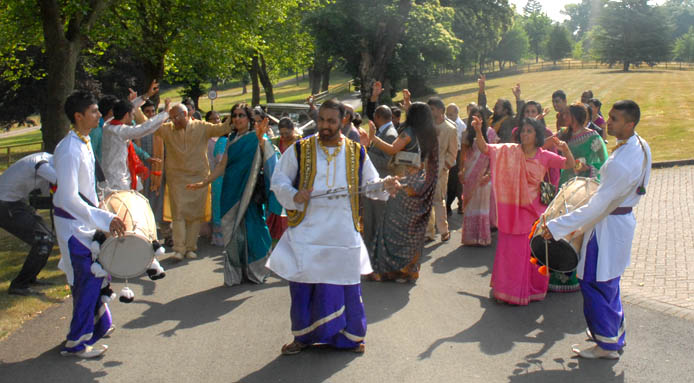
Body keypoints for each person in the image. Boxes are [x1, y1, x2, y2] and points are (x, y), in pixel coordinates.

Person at [266, 98, 400, 355]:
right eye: (321, 120)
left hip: (342, 231)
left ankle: (349, 338)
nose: (324, 126)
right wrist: (295, 195)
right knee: (303, 285)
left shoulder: (356, 151)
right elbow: (279, 180)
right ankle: (303, 337)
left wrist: (385, 185)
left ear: (343, 121)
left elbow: (370, 184)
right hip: (307, 232)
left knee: (345, 284)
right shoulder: (299, 149)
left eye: (331, 121)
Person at [544, 100, 651, 359]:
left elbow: (596, 207)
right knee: (608, 280)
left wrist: (555, 226)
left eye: (614, 119)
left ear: (630, 123)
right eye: (610, 117)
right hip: (619, 222)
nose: (608, 122)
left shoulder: (621, 163)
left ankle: (606, 345)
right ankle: (612, 332)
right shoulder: (640, 145)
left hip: (607, 225)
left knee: (593, 280)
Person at [53, 90, 126, 358]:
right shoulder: (69, 149)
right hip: (74, 228)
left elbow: (86, 189)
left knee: (93, 280)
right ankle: (77, 342)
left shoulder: (82, 142)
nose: (99, 115)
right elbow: (68, 197)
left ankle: (95, 327)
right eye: (94, 111)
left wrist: (102, 207)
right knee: (85, 282)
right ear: (78, 116)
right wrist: (104, 218)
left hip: (86, 223)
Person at [472, 116, 575, 305]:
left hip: (533, 213)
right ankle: (506, 291)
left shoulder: (544, 155)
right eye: (523, 130)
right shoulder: (510, 151)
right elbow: (486, 149)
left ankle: (531, 290)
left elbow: (569, 165)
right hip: (511, 211)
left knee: (529, 255)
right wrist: (478, 131)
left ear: (537, 135)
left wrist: (565, 149)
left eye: (529, 131)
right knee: (510, 252)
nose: (525, 134)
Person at [187, 104, 281, 285]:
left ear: (249, 119)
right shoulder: (231, 138)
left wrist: (261, 139)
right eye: (234, 115)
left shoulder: (256, 137)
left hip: (249, 193)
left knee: (254, 230)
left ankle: (257, 271)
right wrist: (205, 182)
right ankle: (236, 274)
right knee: (233, 232)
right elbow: (222, 165)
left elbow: (269, 158)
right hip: (230, 191)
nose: (237, 119)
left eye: (241, 115)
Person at [367, 102, 438, 282]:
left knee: (393, 227)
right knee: (412, 230)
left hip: (403, 185)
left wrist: (373, 138)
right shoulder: (429, 134)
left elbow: (392, 149)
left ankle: (392, 269)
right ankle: (410, 270)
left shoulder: (409, 133)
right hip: (419, 183)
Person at [156, 103, 231, 260]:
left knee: (195, 215)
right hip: (176, 179)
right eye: (172, 117)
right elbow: (148, 126)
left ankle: (191, 247)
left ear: (186, 114)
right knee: (178, 215)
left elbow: (223, 129)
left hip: (199, 178)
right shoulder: (167, 129)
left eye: (177, 117)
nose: (174, 120)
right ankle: (179, 249)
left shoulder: (202, 127)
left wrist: (236, 113)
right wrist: (136, 107)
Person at [547, 104, 609, 293]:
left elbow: (603, 164)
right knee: (559, 224)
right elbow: (543, 144)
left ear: (576, 116)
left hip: (581, 189)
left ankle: (573, 275)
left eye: (567, 113)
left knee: (575, 230)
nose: (563, 116)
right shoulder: (563, 134)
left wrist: (587, 167)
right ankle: (555, 272)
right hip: (564, 186)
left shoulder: (593, 137)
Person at [0, 152, 56, 296]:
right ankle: (19, 285)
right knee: (43, 240)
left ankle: (30, 278)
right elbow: (60, 181)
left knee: (48, 237)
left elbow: (49, 195)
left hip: (15, 202)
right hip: (5, 205)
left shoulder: (47, 161)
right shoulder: (43, 164)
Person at [101, 95, 170, 192]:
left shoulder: (107, 125)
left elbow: (125, 108)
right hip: (118, 182)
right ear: (126, 115)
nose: (133, 117)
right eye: (132, 114)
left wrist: (144, 96)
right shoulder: (120, 131)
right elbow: (144, 128)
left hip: (109, 178)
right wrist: (165, 113)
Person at [362, 83, 398, 253]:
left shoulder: (390, 135)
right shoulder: (382, 130)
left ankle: (379, 252)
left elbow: (388, 161)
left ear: (378, 118)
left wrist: (367, 151)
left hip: (383, 182)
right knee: (372, 220)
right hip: (376, 184)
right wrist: (374, 97)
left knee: (379, 220)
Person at [458, 108, 496, 246]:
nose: (476, 119)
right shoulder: (466, 134)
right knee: (471, 206)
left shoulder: (490, 133)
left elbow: (494, 156)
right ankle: (470, 238)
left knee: (483, 207)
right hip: (470, 174)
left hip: (485, 175)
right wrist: (461, 171)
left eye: (479, 117)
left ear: (483, 119)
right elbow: (463, 155)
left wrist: (489, 174)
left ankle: (482, 237)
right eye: (473, 117)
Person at [426, 97, 457, 242]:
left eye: (432, 109)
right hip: (425, 168)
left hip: (440, 170)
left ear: (440, 110)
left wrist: (445, 166)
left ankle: (443, 230)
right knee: (425, 200)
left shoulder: (450, 128)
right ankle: (428, 232)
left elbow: (453, 152)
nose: (430, 112)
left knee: (439, 200)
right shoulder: (427, 127)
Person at [477, 74, 515, 143]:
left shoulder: (509, 121)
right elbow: (482, 108)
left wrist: (518, 98)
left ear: (505, 111)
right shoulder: (493, 117)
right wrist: (481, 89)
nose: (493, 108)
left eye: (497, 107)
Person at [446, 103, 466, 215]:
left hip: (458, 154)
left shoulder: (460, 125)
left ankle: (458, 204)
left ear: (457, 114)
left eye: (451, 114)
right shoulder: (448, 122)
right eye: (447, 114)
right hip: (450, 153)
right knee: (451, 182)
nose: (448, 117)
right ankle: (450, 205)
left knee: (457, 182)